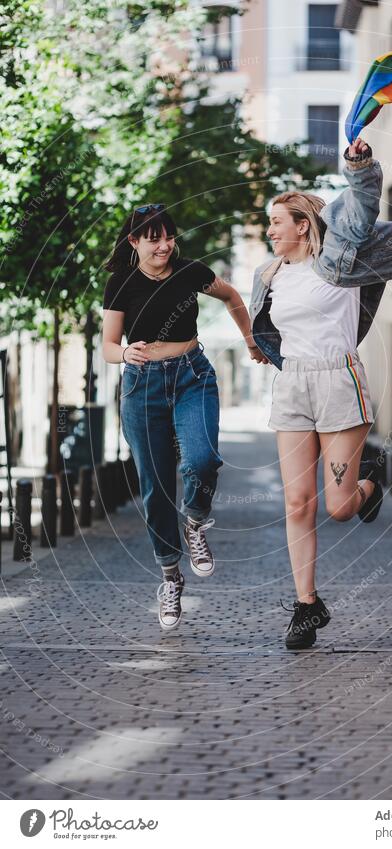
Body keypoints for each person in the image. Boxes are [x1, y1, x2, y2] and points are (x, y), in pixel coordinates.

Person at [249, 138, 392, 650]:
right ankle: (307, 606)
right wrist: (263, 348)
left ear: (302, 226)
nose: (270, 231)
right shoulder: (269, 275)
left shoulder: (340, 260)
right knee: (295, 500)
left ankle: (368, 485)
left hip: (339, 382)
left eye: (277, 223)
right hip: (293, 385)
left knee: (339, 507)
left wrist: (359, 165)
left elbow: (360, 207)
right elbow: (267, 327)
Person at [102, 203, 264, 631]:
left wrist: (250, 341)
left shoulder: (191, 271)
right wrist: (124, 353)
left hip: (193, 375)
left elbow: (231, 296)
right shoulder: (121, 283)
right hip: (142, 387)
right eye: (152, 237)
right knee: (155, 487)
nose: (163, 245)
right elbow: (108, 345)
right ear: (134, 242)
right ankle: (170, 577)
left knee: (202, 459)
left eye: (168, 236)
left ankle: (194, 520)